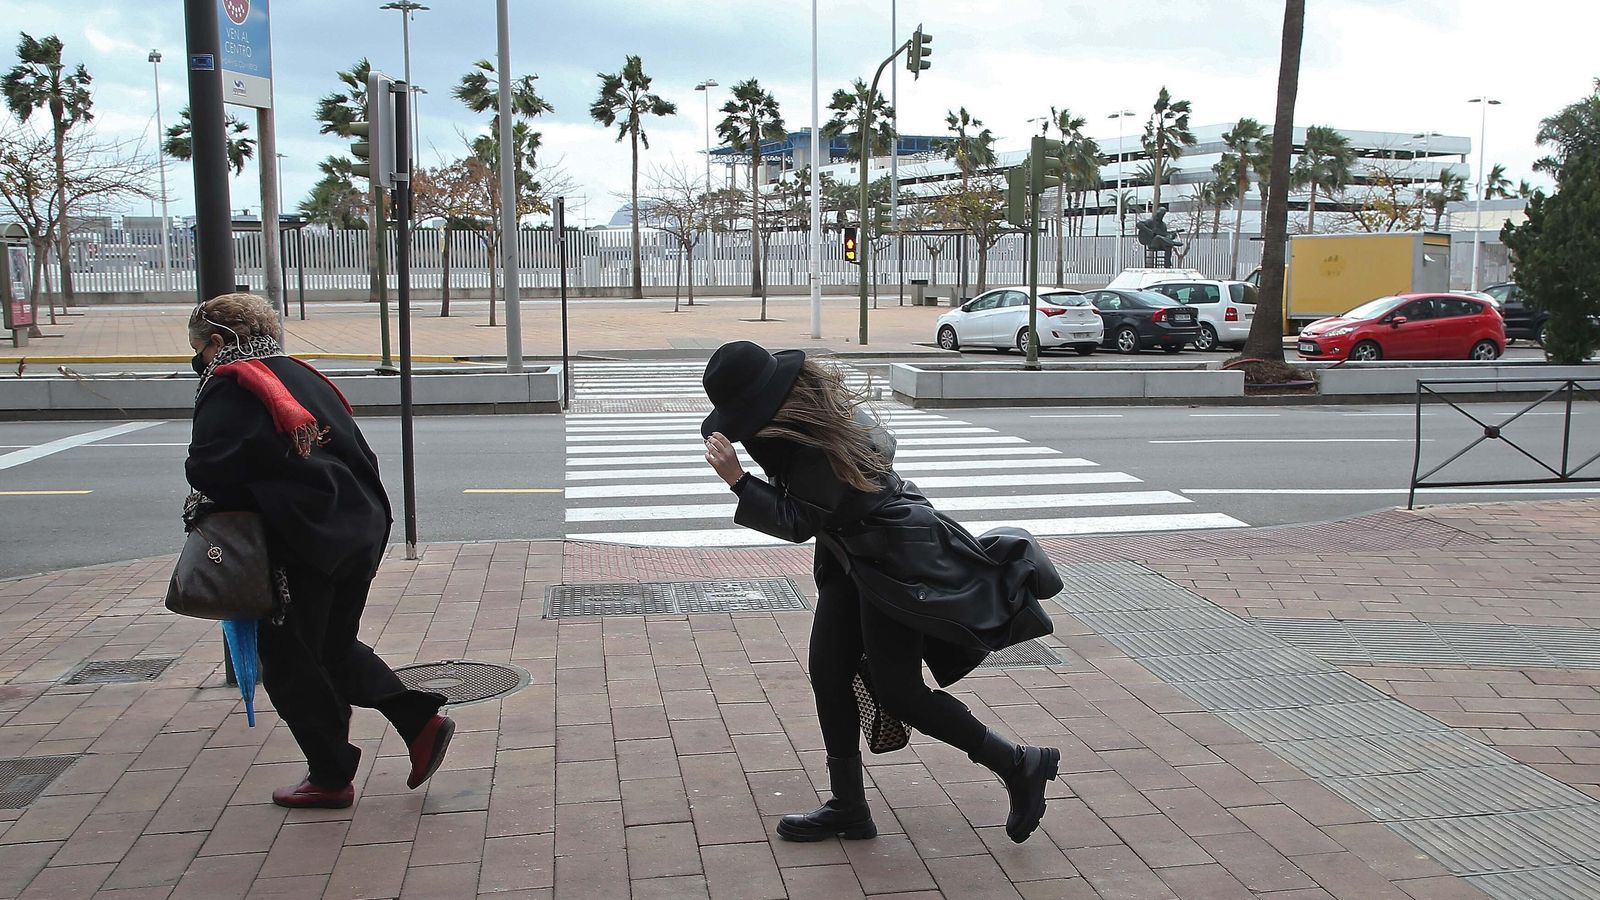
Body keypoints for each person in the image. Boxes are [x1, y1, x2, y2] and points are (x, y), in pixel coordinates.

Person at [700, 341, 1065, 844]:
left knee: (900, 691)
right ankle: (848, 807)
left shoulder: (814, 444)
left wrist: (739, 482)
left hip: (890, 562)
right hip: (856, 559)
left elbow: (799, 520)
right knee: (829, 672)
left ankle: (1019, 763)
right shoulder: (803, 423)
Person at [184, 293, 453, 809]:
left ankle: (331, 776)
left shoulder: (229, 384)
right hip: (357, 531)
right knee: (329, 647)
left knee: (287, 662)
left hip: (300, 543)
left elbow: (210, 469)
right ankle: (420, 723)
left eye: (198, 348)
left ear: (219, 341)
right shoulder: (302, 374)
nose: (198, 360)